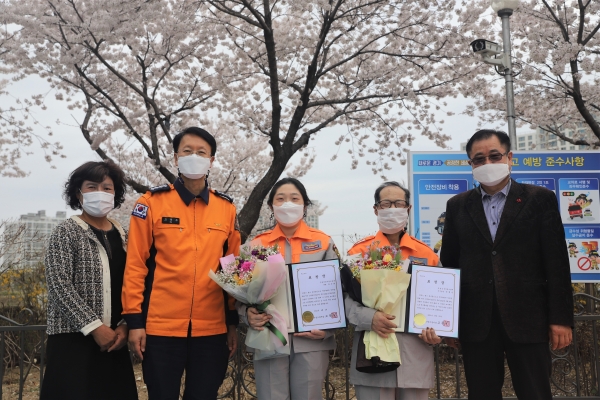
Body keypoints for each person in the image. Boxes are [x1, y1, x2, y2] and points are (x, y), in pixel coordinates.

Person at [441, 129, 574, 400]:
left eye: (495, 156)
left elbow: (557, 263)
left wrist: (560, 319)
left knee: (535, 393)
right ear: (471, 164)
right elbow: (451, 264)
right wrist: (450, 323)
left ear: (509, 157)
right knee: (482, 394)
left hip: (529, 319)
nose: (487, 163)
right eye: (479, 159)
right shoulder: (457, 206)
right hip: (476, 322)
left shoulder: (540, 199)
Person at [122, 127, 241, 400]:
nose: (194, 157)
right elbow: (136, 265)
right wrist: (135, 321)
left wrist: (232, 322)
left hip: (212, 329)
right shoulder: (150, 203)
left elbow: (232, 270)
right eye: (187, 151)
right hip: (160, 328)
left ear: (211, 160)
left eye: (202, 152)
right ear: (176, 157)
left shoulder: (226, 208)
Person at [42, 161, 138, 400]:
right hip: (72, 339)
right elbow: (59, 285)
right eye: (92, 187)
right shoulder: (66, 231)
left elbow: (133, 282)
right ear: (78, 193)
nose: (100, 193)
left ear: (115, 194)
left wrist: (125, 324)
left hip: (115, 339)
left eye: (107, 188)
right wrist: (94, 327)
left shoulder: (124, 234)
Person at [238, 177, 338, 400]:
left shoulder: (324, 242)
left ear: (305, 205)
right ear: (271, 206)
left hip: (311, 339)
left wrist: (328, 329)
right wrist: (247, 314)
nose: (287, 204)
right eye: (280, 199)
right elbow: (241, 295)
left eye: (294, 198)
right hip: (268, 336)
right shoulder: (256, 245)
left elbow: (339, 291)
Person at [345, 181, 441, 400]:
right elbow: (342, 297)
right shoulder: (359, 252)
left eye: (399, 203)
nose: (392, 209)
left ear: (408, 208)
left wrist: (438, 332)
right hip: (372, 353)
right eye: (386, 204)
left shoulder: (427, 254)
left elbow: (441, 299)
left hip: (415, 354)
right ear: (376, 209)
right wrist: (368, 317)